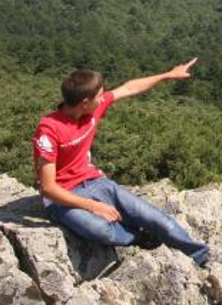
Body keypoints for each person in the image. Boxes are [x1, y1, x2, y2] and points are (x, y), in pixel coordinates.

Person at [32, 58, 210, 267]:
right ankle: (136, 238)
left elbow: (129, 88)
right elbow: (48, 188)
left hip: (96, 182)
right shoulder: (49, 130)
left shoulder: (92, 108)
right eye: (100, 95)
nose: (104, 98)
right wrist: (93, 206)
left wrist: (167, 75)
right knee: (99, 230)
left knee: (157, 220)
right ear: (85, 102)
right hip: (63, 197)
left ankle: (200, 256)